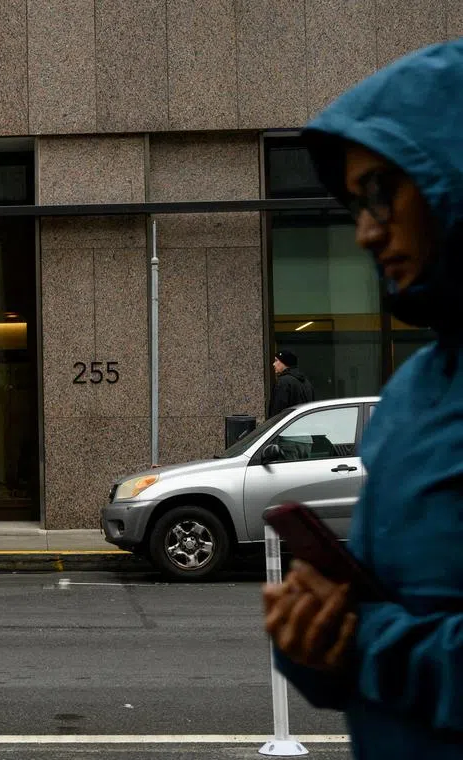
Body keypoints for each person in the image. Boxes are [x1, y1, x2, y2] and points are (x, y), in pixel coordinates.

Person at [262, 39, 463, 759]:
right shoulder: (413, 391)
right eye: (354, 203)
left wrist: (362, 643)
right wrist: (312, 639)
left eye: (381, 192)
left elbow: (388, 638)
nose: (365, 230)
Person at [267, 350, 315, 417]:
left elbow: (277, 411)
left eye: (276, 360)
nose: (273, 364)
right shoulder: (306, 382)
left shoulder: (283, 382)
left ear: (285, 362)